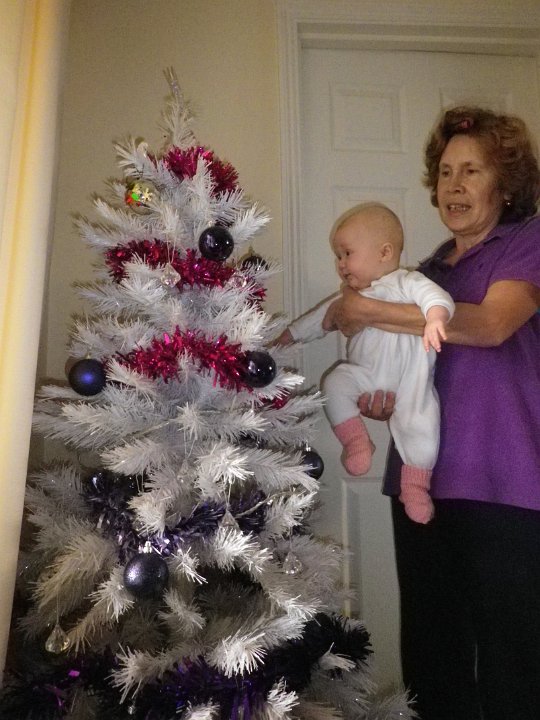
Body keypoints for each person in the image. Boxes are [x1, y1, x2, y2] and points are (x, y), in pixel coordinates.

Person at [322, 106, 540, 720]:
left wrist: (367, 310)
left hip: (505, 482)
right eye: (445, 172)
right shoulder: (428, 271)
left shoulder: (527, 243)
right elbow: (404, 370)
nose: (454, 185)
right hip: (421, 482)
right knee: (432, 658)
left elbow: (491, 325)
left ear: (506, 185)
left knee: (513, 663)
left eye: (472, 170)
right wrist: (378, 398)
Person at [276, 203, 454, 524]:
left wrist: (436, 318)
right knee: (334, 384)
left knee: (422, 426)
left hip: (411, 382)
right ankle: (356, 441)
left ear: (384, 253)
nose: (341, 264)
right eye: (338, 256)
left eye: (347, 253)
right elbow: (318, 320)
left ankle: (415, 487)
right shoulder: (351, 297)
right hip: (365, 376)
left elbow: (436, 297)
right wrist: (288, 337)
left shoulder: (406, 283)